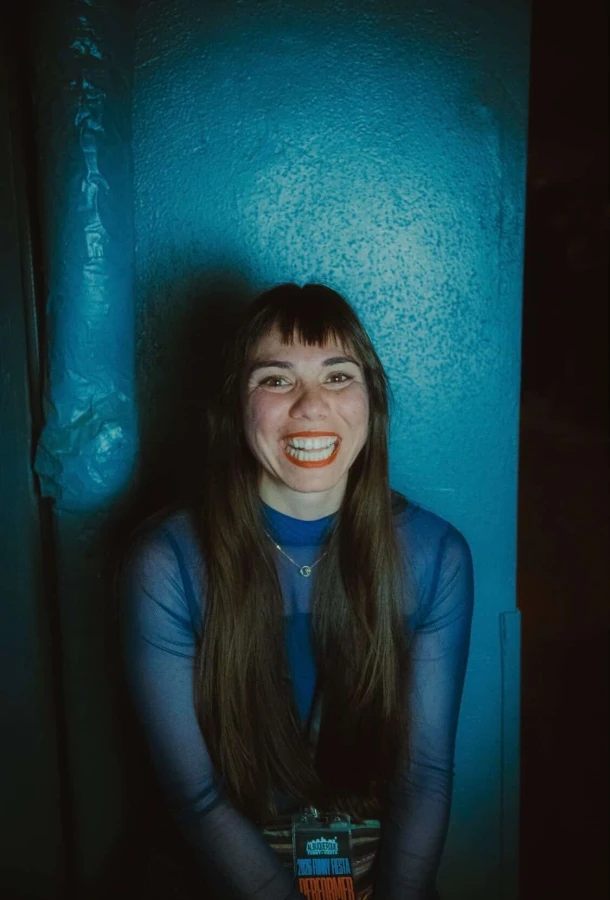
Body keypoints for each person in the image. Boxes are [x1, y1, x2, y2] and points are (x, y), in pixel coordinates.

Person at [121, 283, 474, 900]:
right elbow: (196, 797)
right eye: (277, 380)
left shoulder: (435, 555)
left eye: (338, 376)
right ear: (235, 405)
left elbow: (425, 776)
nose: (312, 406)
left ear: (371, 400)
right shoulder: (166, 563)